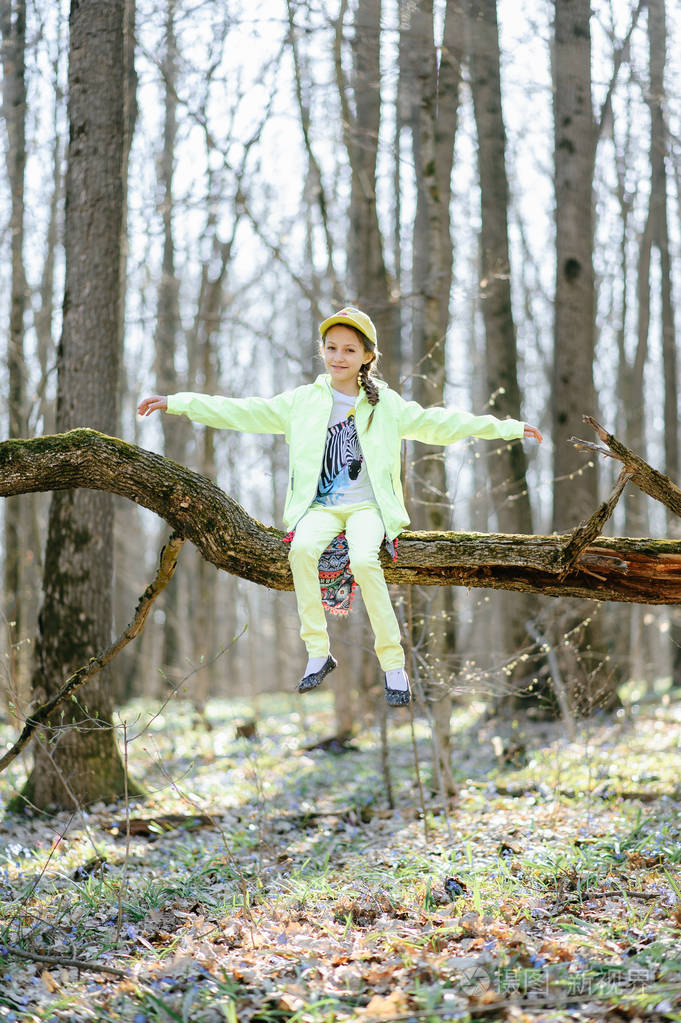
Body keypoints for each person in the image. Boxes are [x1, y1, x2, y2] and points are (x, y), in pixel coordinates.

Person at [138, 306, 542, 706]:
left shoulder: (386, 404)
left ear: (367, 357)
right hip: (320, 509)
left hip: (368, 508)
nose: (338, 357)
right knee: (300, 551)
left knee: (366, 561)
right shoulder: (301, 401)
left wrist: (504, 427)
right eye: (331, 348)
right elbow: (240, 411)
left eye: (349, 350)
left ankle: (393, 665)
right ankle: (318, 651)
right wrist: (177, 402)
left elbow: (443, 424)